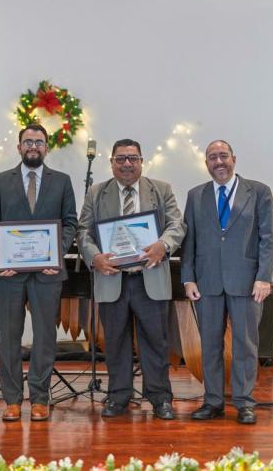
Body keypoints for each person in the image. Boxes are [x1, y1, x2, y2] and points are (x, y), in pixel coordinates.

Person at [77, 138, 185, 420]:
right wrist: (94, 257)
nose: (127, 164)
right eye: (121, 159)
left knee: (156, 342)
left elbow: (177, 224)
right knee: (115, 343)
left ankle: (160, 398)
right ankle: (118, 396)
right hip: (112, 278)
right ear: (111, 162)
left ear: (141, 161)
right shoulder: (96, 193)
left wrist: (163, 245)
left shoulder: (161, 189)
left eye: (133, 158)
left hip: (150, 277)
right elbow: (83, 231)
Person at [181, 139, 273, 424]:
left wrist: (264, 277)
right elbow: (189, 242)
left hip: (247, 282)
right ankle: (213, 401)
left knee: (245, 345)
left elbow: (269, 238)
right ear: (206, 163)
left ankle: (245, 402)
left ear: (234, 159)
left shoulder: (258, 192)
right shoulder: (195, 195)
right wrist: (188, 278)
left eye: (223, 156)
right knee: (210, 345)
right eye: (213, 157)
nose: (219, 162)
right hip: (207, 282)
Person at [0, 123, 78, 422]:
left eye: (39, 142)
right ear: (19, 147)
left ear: (46, 148)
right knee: (9, 337)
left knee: (45, 337)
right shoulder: (1, 181)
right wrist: (2, 258)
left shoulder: (62, 181)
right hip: (10, 275)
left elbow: (70, 223)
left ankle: (40, 398)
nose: (33, 146)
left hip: (48, 273)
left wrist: (57, 254)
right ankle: (12, 400)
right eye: (28, 142)